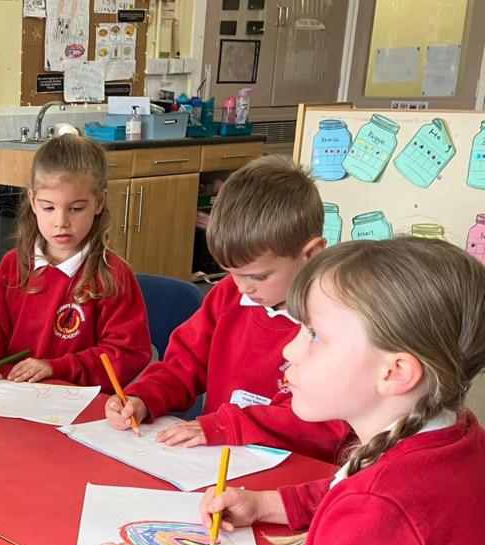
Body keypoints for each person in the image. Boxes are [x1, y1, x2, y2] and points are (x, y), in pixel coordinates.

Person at [80, 238, 485, 545]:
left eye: (314, 335)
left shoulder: (381, 507)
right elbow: (359, 486)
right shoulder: (452, 435)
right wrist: (268, 504)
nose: (290, 350)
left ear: (395, 373)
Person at [106, 157, 352, 461]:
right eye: (231, 272)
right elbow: (184, 365)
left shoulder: (340, 323)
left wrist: (227, 425)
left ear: (311, 255)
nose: (242, 287)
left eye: (258, 276)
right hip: (219, 461)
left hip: (296, 475)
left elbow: (327, 424)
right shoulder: (229, 294)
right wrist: (143, 397)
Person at [0, 135, 151, 387]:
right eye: (49, 208)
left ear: (99, 203)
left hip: (80, 410)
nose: (61, 222)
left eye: (76, 208)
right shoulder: (13, 264)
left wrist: (56, 368)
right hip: (14, 400)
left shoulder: (113, 275)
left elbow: (126, 355)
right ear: (32, 202)